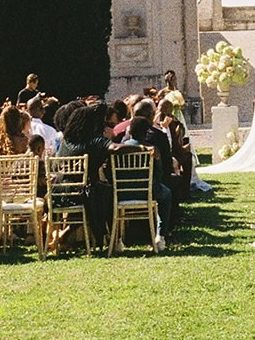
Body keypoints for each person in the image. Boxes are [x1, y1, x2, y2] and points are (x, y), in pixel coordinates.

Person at [54, 100, 115, 247]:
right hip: (76, 194)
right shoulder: (92, 142)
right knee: (105, 192)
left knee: (95, 190)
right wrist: (143, 148)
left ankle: (66, 234)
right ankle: (111, 238)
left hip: (57, 192)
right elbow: (114, 148)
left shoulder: (66, 142)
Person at [123, 100, 175, 248]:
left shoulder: (121, 144)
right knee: (167, 193)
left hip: (123, 192)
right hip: (149, 190)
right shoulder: (153, 146)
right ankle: (161, 234)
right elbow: (162, 169)